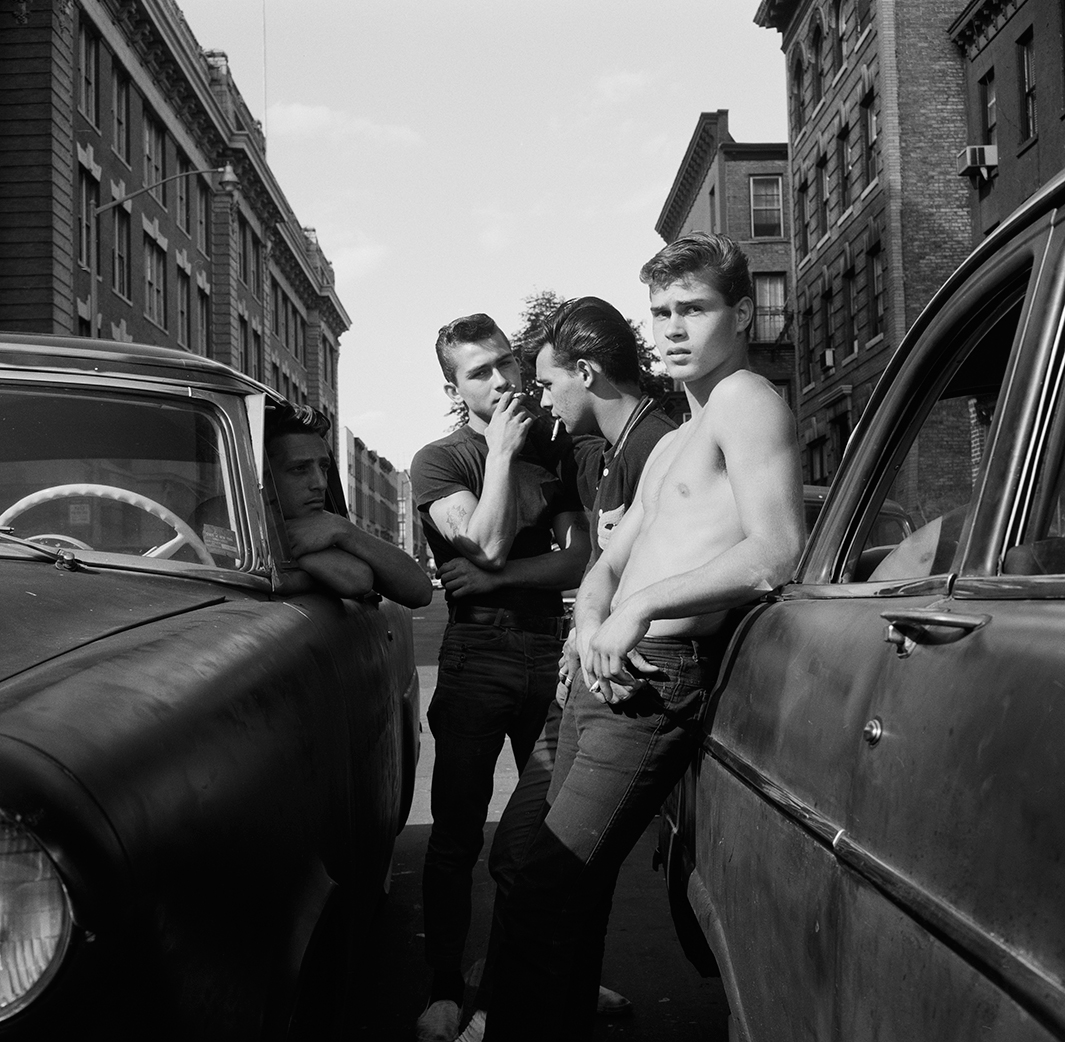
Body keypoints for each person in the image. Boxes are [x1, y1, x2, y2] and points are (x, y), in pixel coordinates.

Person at [483, 233, 805, 1042]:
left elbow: (775, 551)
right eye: (660, 312)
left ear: (741, 313)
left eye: (693, 308)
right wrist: (595, 617)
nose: (672, 327)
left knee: (550, 886)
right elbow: (604, 565)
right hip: (605, 672)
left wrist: (640, 611)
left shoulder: (746, 402)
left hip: (654, 679)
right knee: (546, 878)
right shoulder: (671, 441)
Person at [455, 296, 676, 1042]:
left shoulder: (656, 447)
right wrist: (586, 626)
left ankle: (507, 1014)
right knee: (535, 863)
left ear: (585, 372)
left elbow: (745, 556)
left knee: (542, 870)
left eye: (545, 381)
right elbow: (598, 570)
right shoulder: (612, 452)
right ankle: (544, 1005)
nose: (536, 396)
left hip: (627, 691)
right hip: (583, 683)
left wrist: (614, 623)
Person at [410, 313, 591, 1042]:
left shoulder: (557, 447)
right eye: (478, 372)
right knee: (457, 834)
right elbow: (479, 541)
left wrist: (498, 577)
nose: (499, 379)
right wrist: (502, 453)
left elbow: (575, 559)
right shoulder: (440, 460)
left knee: (555, 828)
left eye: (505, 363)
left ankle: (546, 974)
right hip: (477, 655)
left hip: (547, 647)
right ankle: (444, 989)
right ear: (453, 387)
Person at [265, 402, 432, 608]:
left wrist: (344, 530)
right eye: (299, 469)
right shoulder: (243, 537)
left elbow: (420, 592)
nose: (321, 483)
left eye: (324, 467)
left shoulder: (328, 531)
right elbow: (357, 578)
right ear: (264, 476)